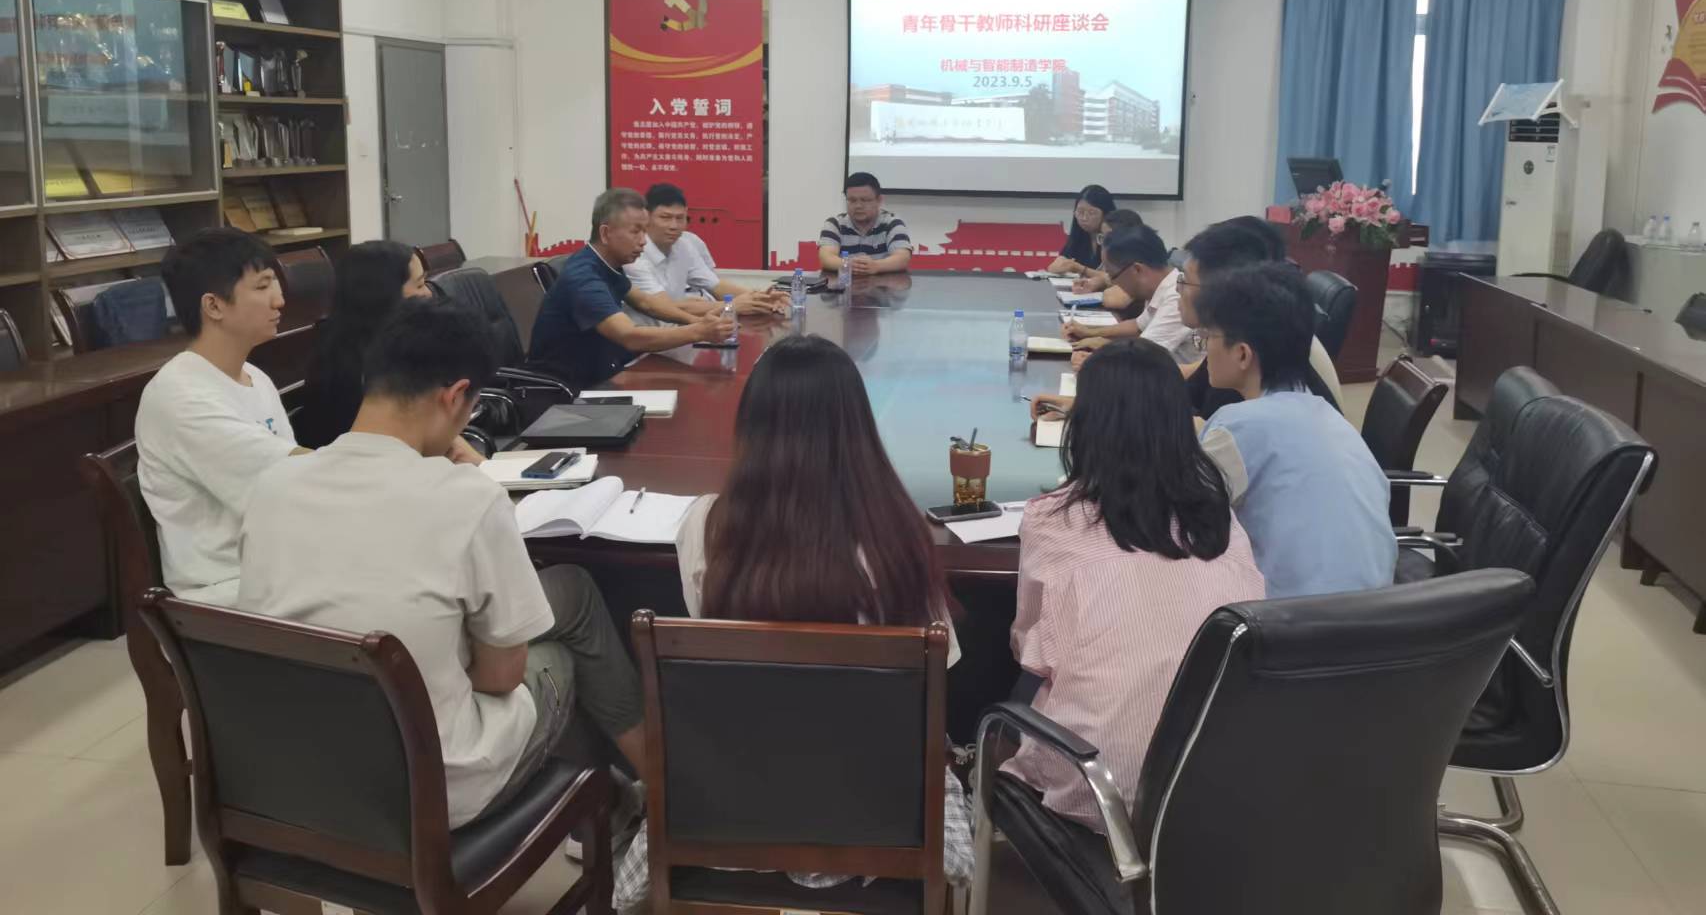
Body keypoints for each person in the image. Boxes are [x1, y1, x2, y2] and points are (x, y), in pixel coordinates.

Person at [238, 300, 646, 830]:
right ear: (455, 397)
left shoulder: (272, 486)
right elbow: (502, 677)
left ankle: (617, 798)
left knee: (555, 597)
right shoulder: (468, 497)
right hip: (426, 787)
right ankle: (638, 796)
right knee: (559, 655)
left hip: (295, 774)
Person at [621, 334, 969, 907]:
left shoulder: (704, 525)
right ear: (857, 430)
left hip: (733, 800)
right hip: (873, 812)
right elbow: (939, 677)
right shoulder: (897, 538)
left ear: (750, 429)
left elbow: (709, 638)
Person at [1005, 341, 1264, 829]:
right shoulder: (1220, 519)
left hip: (1097, 790)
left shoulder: (1053, 521)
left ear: (1086, 428)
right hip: (1219, 790)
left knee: (1020, 686)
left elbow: (1029, 650)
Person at [1195, 264, 1395, 599]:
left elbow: (1179, 517)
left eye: (1207, 338)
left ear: (1242, 354)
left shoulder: (1238, 426)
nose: (1204, 349)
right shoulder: (1329, 416)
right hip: (1380, 611)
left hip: (1291, 620)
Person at [135, 228, 305, 606]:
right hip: (227, 589)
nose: (279, 300)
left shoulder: (255, 377)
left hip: (279, 566)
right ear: (213, 306)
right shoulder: (180, 395)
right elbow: (292, 483)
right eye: (263, 287)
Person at [529, 188, 715, 389]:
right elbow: (629, 336)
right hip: (569, 388)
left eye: (644, 231)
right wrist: (700, 331)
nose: (643, 241)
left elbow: (646, 303)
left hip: (604, 372)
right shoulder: (584, 277)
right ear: (606, 233)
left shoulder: (607, 264)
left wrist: (697, 321)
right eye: (636, 231)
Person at [1175, 218, 1344, 419]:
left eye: (1185, 280)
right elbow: (1190, 392)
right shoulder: (1235, 336)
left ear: (1220, 288)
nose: (1178, 289)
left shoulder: (1247, 374)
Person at [293, 240, 434, 449]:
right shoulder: (359, 366)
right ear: (386, 294)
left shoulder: (373, 340)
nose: (428, 293)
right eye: (420, 285)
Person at [624, 183, 787, 324]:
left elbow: (716, 285)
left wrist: (762, 299)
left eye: (680, 218)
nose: (674, 226)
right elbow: (664, 307)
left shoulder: (684, 245)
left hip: (677, 334)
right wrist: (731, 306)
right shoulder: (633, 256)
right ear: (646, 217)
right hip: (643, 340)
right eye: (665, 218)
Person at [1061, 225, 1200, 364]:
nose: (1112, 282)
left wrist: (1098, 355)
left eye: (1112, 275)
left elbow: (1143, 357)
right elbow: (1137, 326)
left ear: (1137, 270)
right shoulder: (1161, 287)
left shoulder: (1176, 298)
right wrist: (1090, 332)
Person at [818, 172, 913, 275]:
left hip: (884, 284)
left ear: (879, 200)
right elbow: (826, 257)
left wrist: (876, 266)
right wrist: (849, 265)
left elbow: (902, 257)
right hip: (845, 284)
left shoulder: (892, 223)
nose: (858, 206)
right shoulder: (835, 224)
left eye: (865, 200)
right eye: (852, 200)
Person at [1070, 208, 1145, 294]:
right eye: (1102, 237)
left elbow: (1114, 298)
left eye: (1109, 238)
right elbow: (1105, 277)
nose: (1104, 244)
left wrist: (1103, 282)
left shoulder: (1139, 263)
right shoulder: (1111, 258)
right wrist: (1096, 283)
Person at [1047, 185, 1117, 275]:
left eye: (1091, 213)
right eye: (1080, 212)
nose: (1084, 218)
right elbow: (1058, 264)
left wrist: (1079, 269)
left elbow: (1112, 278)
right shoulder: (1078, 237)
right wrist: (1056, 267)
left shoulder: (1116, 239)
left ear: (1106, 214)